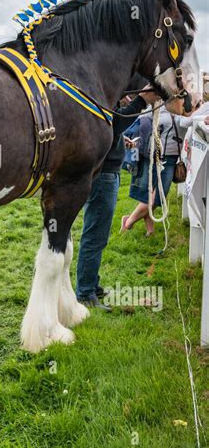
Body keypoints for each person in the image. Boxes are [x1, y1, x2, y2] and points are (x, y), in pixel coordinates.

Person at [76, 85, 158, 311]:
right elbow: (113, 123)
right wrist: (140, 100)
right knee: (95, 235)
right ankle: (84, 292)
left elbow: (112, 128)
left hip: (107, 174)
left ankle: (91, 284)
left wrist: (121, 140)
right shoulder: (106, 100)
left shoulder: (104, 97)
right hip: (104, 176)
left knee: (97, 234)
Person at [121, 105, 183, 235]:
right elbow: (142, 122)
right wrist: (146, 145)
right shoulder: (157, 107)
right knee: (151, 196)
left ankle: (134, 223)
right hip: (155, 156)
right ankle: (133, 224)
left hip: (172, 158)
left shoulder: (184, 109)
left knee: (157, 196)